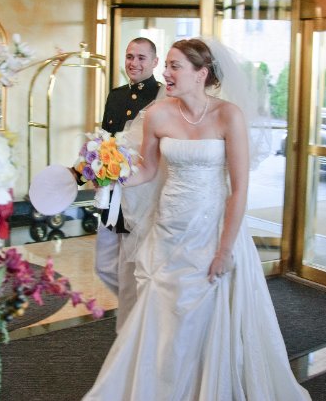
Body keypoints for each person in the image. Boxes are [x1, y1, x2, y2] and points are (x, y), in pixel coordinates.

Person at [84, 38, 310, 401]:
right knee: (161, 315)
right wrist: (109, 174)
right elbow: (148, 170)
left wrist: (224, 249)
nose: (165, 73)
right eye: (167, 65)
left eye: (174, 66)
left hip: (213, 230)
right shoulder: (158, 115)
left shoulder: (228, 115)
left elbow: (238, 190)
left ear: (201, 73)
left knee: (206, 316)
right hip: (168, 230)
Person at [94, 37, 162, 328]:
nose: (134, 63)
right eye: (129, 56)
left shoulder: (164, 96)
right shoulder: (116, 95)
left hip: (144, 191)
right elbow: (105, 139)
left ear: (155, 62)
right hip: (113, 190)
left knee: (134, 264)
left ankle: (135, 323)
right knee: (105, 264)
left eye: (141, 58)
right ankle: (135, 313)